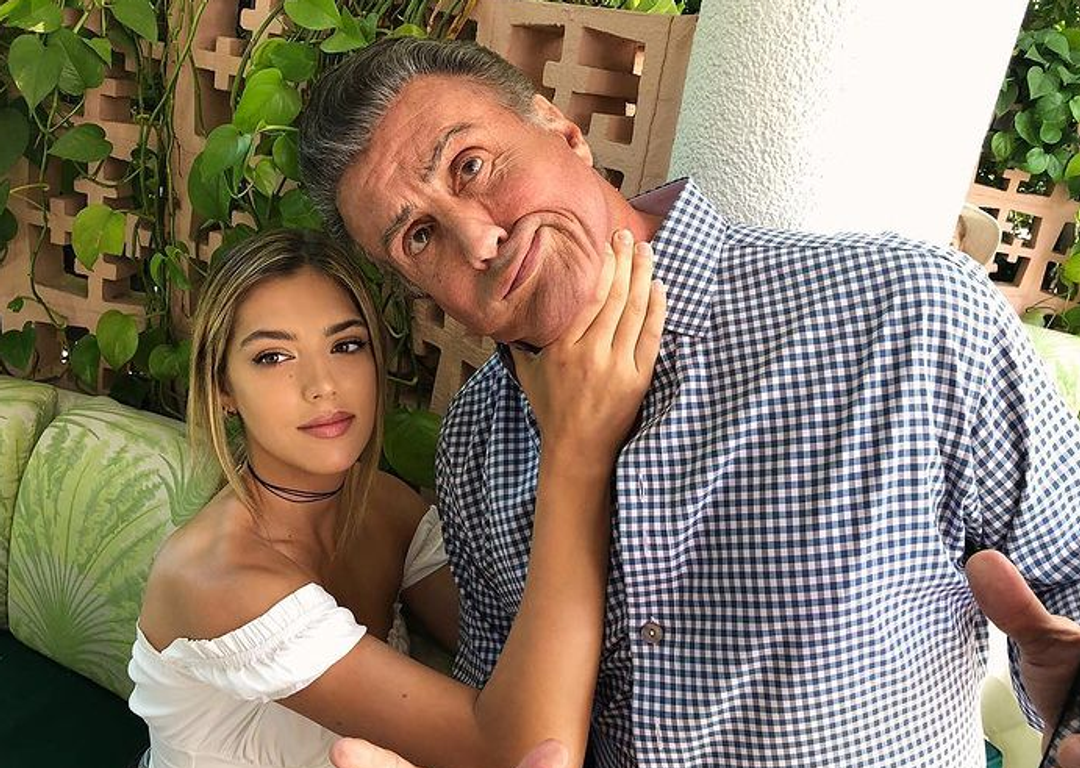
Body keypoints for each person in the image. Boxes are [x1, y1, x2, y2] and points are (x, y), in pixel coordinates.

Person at [297, 38, 1080, 768]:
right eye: (419, 237)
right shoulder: (476, 438)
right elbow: (514, 707)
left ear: (561, 131)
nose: (476, 241)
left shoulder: (904, 313)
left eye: (470, 166)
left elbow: (1068, 577)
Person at [127, 227, 666, 768]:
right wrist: (575, 454)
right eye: (273, 357)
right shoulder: (219, 579)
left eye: (346, 345)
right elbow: (522, 752)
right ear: (223, 387)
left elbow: (508, 642)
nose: (321, 384)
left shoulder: (385, 508)